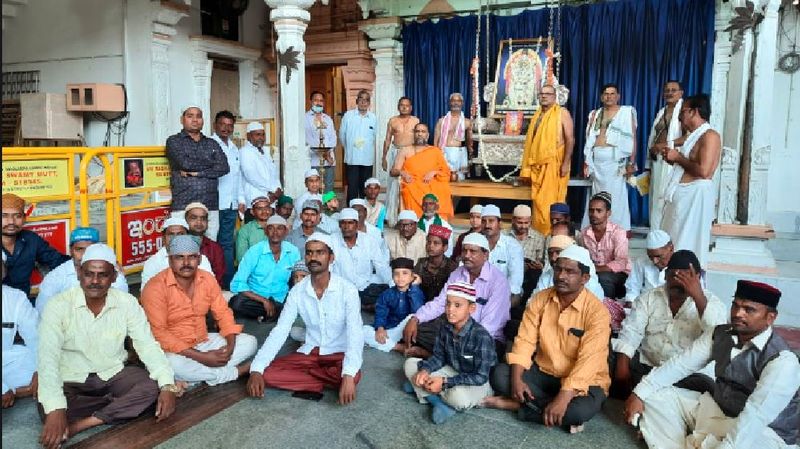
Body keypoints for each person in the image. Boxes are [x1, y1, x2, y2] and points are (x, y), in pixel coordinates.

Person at [624, 280, 800, 449]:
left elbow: (756, 417)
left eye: (749, 310)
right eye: (735, 305)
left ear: (770, 317)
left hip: (763, 434)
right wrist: (640, 393)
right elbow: (681, 364)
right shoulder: (720, 333)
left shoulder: (783, 360)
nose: (738, 313)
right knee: (656, 397)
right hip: (719, 412)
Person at [37, 244, 179, 447]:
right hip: (71, 379)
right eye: (89, 274)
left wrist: (167, 386)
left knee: (151, 387)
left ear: (114, 276)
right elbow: (47, 359)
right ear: (79, 273)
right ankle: (119, 407)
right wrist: (56, 410)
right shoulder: (57, 306)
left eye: (103, 275)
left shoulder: (127, 303)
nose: (95, 281)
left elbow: (147, 345)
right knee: (48, 406)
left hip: (113, 374)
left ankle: (82, 424)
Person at [485, 245, 611, 433]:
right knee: (501, 376)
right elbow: (525, 341)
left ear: (585, 278)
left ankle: (519, 407)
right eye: (558, 269)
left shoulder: (597, 312)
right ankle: (552, 411)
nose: (561, 276)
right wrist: (518, 379)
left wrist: (564, 396)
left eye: (570, 272)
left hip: (585, 379)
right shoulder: (540, 299)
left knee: (579, 411)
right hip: (544, 371)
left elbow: (589, 361)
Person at [246, 233, 364, 404]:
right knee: (267, 373)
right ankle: (327, 381)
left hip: (339, 353)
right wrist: (256, 370)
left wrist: (348, 374)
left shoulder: (348, 290)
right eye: (309, 253)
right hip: (311, 353)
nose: (313, 257)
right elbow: (281, 330)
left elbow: (355, 333)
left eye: (319, 252)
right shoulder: (297, 291)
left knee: (352, 374)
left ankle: (323, 379)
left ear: (331, 257)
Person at [141, 235, 257, 386]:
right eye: (179, 257)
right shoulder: (155, 287)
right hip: (174, 351)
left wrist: (230, 346)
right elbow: (159, 333)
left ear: (200, 259)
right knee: (171, 364)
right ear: (170, 260)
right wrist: (202, 357)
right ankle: (235, 372)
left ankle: (194, 376)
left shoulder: (207, 279)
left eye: (192, 257)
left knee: (250, 342)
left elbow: (223, 313)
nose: (186, 263)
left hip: (203, 341)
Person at [612, 249, 726, 397]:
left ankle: (648, 396)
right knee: (609, 359)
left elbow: (717, 335)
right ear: (665, 275)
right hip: (647, 367)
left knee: (707, 389)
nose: (678, 282)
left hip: (687, 376)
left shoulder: (713, 303)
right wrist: (622, 369)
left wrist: (698, 296)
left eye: (686, 277)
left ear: (697, 277)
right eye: (673, 275)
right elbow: (631, 332)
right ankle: (651, 396)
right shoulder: (648, 298)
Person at [403, 233, 510, 357]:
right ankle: (445, 356)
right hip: (455, 329)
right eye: (464, 250)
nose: (467, 255)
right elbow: (440, 302)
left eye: (473, 251)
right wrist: (416, 318)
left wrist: (460, 338)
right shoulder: (458, 274)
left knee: (477, 353)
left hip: (485, 337)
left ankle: (433, 355)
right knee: (417, 330)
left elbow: (489, 326)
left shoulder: (498, 281)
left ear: (485, 255)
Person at [403, 282, 497, 424]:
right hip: (452, 371)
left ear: (472, 308)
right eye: (448, 304)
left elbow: (480, 377)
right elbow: (439, 357)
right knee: (410, 365)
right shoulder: (445, 326)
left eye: (457, 305)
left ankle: (423, 389)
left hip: (475, 382)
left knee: (459, 398)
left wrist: (444, 382)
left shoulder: (481, 336)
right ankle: (437, 402)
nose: (450, 310)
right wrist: (425, 370)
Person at [659, 94, 721, 265]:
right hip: (682, 198)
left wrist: (678, 158)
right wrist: (673, 159)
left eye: (683, 112)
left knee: (687, 244)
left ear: (694, 112)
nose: (680, 117)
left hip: (694, 197)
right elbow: (688, 165)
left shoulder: (710, 136)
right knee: (673, 242)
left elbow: (704, 171)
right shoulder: (692, 136)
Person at [165, 105, 230, 240]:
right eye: (190, 116)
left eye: (198, 116)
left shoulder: (211, 143)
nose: (195, 120)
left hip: (210, 204)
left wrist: (197, 173)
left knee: (209, 245)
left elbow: (224, 167)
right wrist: (211, 164)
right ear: (181, 120)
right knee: (181, 246)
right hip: (183, 203)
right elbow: (185, 163)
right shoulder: (174, 141)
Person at [520, 84, 576, 235]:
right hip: (538, 167)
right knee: (538, 204)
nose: (544, 96)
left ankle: (553, 234)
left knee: (549, 204)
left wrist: (565, 163)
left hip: (554, 165)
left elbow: (570, 139)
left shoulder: (562, 113)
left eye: (548, 94)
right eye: (541, 93)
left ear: (554, 96)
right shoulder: (538, 115)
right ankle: (539, 234)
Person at [582, 83, 637, 230]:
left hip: (615, 161)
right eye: (606, 94)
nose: (609, 96)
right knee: (597, 195)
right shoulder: (595, 114)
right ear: (601, 97)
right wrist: (587, 161)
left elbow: (632, 138)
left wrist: (631, 163)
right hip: (597, 160)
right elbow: (589, 139)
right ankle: (596, 226)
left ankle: (617, 229)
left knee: (616, 196)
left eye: (612, 94)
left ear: (618, 96)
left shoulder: (626, 112)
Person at [36, 227, 129, 315]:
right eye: (79, 249)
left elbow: (122, 305)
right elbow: (44, 312)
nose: (84, 255)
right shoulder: (56, 277)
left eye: (90, 249)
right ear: (71, 251)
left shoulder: (112, 272)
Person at [230, 215, 301, 321]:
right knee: (236, 303)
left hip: (280, 298)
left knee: (294, 306)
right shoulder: (255, 251)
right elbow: (237, 283)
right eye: (271, 228)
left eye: (279, 228)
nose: (275, 232)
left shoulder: (293, 251)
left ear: (286, 232)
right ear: (265, 232)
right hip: (256, 299)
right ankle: (273, 315)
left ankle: (267, 315)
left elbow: (298, 278)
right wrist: (264, 301)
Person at [1, 193, 69, 296]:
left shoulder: (31, 240)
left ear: (24, 218)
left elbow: (57, 261)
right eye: (4, 216)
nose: (11, 221)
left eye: (17, 216)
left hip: (23, 303)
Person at [331, 208, 392, 309]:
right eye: (343, 223)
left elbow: (381, 266)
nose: (346, 227)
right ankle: (363, 306)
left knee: (388, 294)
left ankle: (361, 305)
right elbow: (328, 268)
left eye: (350, 223)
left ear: (357, 224)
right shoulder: (331, 240)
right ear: (339, 225)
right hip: (340, 289)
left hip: (365, 287)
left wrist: (392, 285)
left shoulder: (369, 241)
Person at [392, 123, 454, 221]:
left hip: (432, 181)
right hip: (413, 182)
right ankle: (414, 220)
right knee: (408, 190)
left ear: (427, 135)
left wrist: (434, 172)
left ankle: (438, 221)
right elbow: (394, 171)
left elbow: (445, 171)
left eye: (423, 131)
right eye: (417, 131)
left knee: (443, 188)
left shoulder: (435, 151)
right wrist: (403, 173)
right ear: (414, 134)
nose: (420, 134)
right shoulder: (405, 150)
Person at [363, 257, 425, 352]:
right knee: (363, 331)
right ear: (392, 276)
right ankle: (399, 347)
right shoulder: (387, 294)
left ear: (412, 276)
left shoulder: (416, 292)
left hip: (408, 330)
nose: (400, 277)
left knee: (413, 316)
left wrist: (415, 287)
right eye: (396, 274)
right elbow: (381, 313)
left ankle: (389, 344)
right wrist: (380, 328)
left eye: (405, 273)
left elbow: (418, 311)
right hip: (390, 331)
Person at [211, 110, 244, 288]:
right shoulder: (209, 144)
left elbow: (236, 177)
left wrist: (240, 199)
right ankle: (213, 281)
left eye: (230, 125)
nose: (226, 128)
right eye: (222, 124)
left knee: (227, 244)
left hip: (230, 204)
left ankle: (228, 281)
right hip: (214, 204)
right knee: (212, 243)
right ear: (215, 125)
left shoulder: (233, 147)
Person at [646, 81, 685, 230]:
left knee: (666, 197)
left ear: (681, 93)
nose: (669, 93)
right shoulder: (662, 111)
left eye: (673, 90)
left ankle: (666, 235)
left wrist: (667, 144)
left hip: (672, 160)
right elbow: (654, 136)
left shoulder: (684, 111)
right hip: (657, 160)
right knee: (655, 198)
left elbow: (689, 137)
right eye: (667, 90)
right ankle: (655, 233)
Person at [2, 252, 38, 409]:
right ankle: (16, 392)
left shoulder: (15, 297)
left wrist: (40, 371)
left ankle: (15, 392)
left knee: (29, 357)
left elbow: (37, 337)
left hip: (6, 357)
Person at [582, 192, 631, 299]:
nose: (594, 214)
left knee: (603, 278)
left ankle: (607, 309)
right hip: (594, 273)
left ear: (608, 213)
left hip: (619, 276)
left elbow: (621, 263)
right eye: (591, 210)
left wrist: (596, 269)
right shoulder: (584, 234)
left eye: (599, 211)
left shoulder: (618, 232)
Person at [140, 217, 213, 288]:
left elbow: (210, 285)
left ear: (187, 237)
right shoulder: (152, 263)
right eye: (171, 234)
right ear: (164, 239)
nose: (175, 238)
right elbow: (146, 293)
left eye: (180, 234)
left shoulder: (200, 258)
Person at [383, 97, 420, 225]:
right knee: (394, 184)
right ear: (398, 107)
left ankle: (409, 214)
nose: (404, 107)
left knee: (409, 182)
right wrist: (384, 158)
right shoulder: (393, 121)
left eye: (407, 105)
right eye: (402, 105)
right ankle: (392, 215)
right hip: (395, 152)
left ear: (411, 107)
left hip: (410, 154)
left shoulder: (416, 121)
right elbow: (387, 139)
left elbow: (420, 138)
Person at [534, 237, 605, 301]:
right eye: (550, 253)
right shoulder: (546, 275)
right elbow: (534, 301)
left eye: (558, 252)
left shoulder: (590, 283)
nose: (553, 258)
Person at [481, 204, 524, 306]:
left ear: (499, 223)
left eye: (491, 221)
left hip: (505, 294)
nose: (487, 225)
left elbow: (515, 282)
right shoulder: (476, 242)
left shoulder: (513, 246)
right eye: (484, 221)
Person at [340, 90, 377, 203]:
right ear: (357, 101)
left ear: (369, 103)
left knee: (365, 187)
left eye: (366, 100)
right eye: (361, 99)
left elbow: (375, 136)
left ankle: (364, 211)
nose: (363, 102)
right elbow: (342, 135)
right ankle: (350, 212)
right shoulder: (348, 116)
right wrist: (349, 148)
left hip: (367, 158)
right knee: (352, 186)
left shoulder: (373, 117)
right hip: (352, 158)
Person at [240, 121, 282, 215]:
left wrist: (278, 189)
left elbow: (274, 173)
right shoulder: (245, 152)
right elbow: (252, 176)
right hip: (255, 200)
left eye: (263, 135)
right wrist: (273, 190)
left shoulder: (265, 151)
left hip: (271, 199)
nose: (261, 138)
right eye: (257, 135)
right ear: (248, 136)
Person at [506, 204, 546, 301]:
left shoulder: (539, 238)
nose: (523, 226)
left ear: (530, 221)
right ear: (513, 220)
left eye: (526, 223)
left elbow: (540, 260)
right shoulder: (504, 236)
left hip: (529, 279)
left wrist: (538, 265)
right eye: (520, 223)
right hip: (507, 276)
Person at [623, 229, 673, 303]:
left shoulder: (680, 264)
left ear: (671, 248)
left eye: (658, 256)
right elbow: (633, 286)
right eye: (650, 257)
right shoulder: (641, 261)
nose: (654, 261)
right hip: (645, 304)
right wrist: (631, 302)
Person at [414, 225, 458, 302]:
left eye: (436, 243)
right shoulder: (421, 263)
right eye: (429, 242)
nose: (431, 246)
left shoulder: (452, 267)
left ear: (445, 247)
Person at [434, 93, 473, 181]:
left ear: (462, 103)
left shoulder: (467, 122)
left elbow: (469, 141)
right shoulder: (441, 121)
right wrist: (436, 156)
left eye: (458, 101)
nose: (456, 103)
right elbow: (435, 142)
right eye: (453, 100)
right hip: (444, 153)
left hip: (460, 154)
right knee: (444, 178)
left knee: (460, 179)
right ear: (449, 103)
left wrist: (470, 154)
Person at [185, 202, 225, 286]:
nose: (199, 222)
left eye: (203, 218)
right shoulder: (178, 246)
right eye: (194, 218)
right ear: (186, 221)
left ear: (207, 223)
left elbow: (218, 277)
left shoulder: (215, 248)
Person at [305, 91, 337, 192]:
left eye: (321, 100)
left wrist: (328, 154)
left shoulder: (327, 119)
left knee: (329, 186)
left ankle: (328, 206)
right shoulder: (305, 118)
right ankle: (316, 207)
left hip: (329, 160)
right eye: (315, 100)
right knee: (315, 187)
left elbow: (333, 138)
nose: (318, 103)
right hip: (314, 160)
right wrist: (324, 154)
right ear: (310, 101)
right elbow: (308, 139)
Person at [236, 196, 272, 264]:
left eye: (267, 208)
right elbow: (242, 258)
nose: (264, 211)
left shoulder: (278, 227)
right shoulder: (245, 231)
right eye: (260, 208)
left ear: (271, 210)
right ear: (252, 212)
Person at [418, 193, 454, 257]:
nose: (427, 207)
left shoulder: (445, 226)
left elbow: (448, 249)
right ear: (421, 207)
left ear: (437, 207)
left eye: (431, 204)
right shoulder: (415, 224)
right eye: (425, 204)